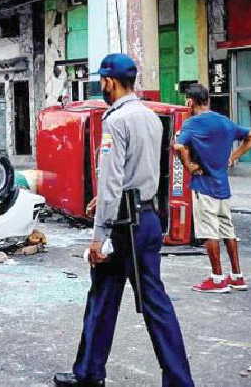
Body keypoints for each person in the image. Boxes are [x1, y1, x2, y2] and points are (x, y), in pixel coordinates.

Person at [54, 54, 194, 387]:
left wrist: (98, 236)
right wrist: (103, 199)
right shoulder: (149, 116)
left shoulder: (115, 121)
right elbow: (143, 172)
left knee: (148, 304)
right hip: (145, 217)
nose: (101, 86)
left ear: (109, 82)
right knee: (107, 295)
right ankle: (88, 372)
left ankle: (177, 382)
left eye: (101, 81)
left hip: (123, 226)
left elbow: (113, 178)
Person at [173, 83, 251, 293]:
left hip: (204, 187)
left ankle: (217, 278)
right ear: (208, 100)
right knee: (228, 231)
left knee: (209, 232)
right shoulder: (225, 122)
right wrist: (232, 157)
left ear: (190, 102)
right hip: (222, 187)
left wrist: (190, 165)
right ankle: (237, 276)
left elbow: (178, 146)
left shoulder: (192, 124)